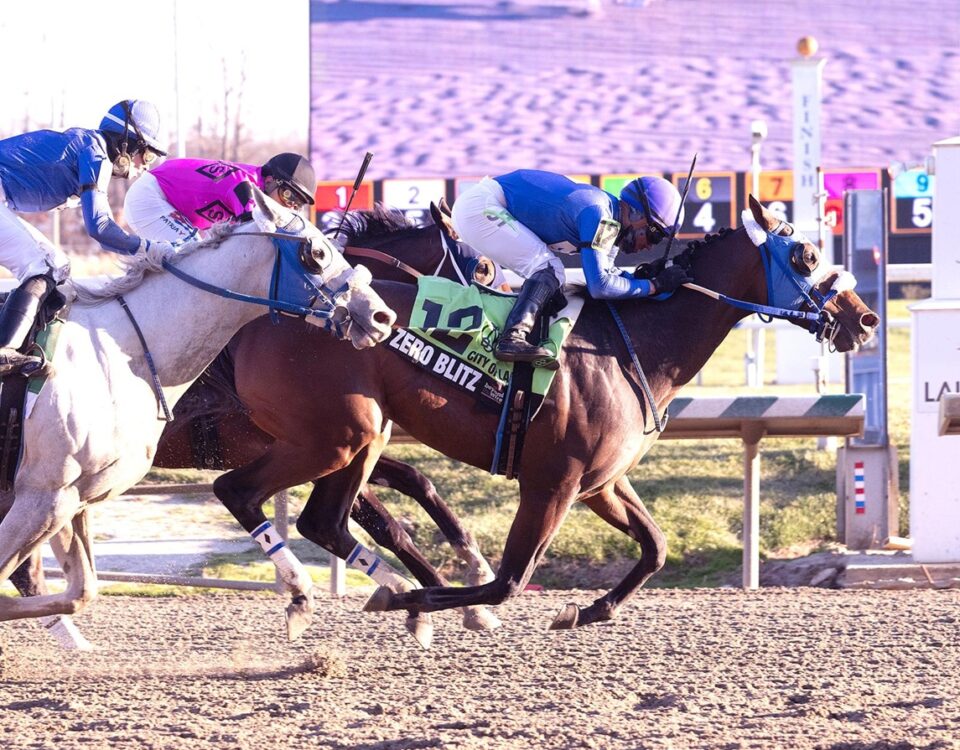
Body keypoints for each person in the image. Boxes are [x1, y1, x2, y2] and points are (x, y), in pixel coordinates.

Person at [450, 169, 692, 368]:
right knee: (550, 270)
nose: (649, 245)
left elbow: (610, 275)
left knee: (553, 291)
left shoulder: (611, 221)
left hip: (485, 203)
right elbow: (600, 286)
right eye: (653, 234)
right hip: (482, 206)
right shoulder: (601, 215)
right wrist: (653, 286)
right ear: (637, 213)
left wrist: (640, 277)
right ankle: (512, 338)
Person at [0, 99, 169, 375]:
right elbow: (100, 228)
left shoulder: (90, 147)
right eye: (147, 156)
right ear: (128, 145)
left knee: (57, 266)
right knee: (43, 265)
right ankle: (5, 350)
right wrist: (148, 248)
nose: (146, 166)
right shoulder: (96, 154)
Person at [123, 153, 317, 243]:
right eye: (288, 196)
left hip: (162, 200)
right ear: (268, 181)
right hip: (150, 197)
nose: (290, 206)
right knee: (192, 256)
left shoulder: (254, 183)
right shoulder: (244, 184)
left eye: (297, 204)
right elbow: (260, 235)